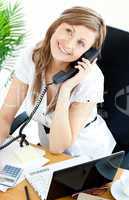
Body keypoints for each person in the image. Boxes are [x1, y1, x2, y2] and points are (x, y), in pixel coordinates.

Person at [0, 6, 116, 159]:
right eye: (69, 31)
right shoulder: (33, 57)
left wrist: (66, 89)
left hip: (88, 156)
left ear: (88, 53)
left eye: (81, 43)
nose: (69, 44)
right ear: (56, 26)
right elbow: (5, 117)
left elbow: (58, 146)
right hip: (49, 152)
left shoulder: (91, 79)